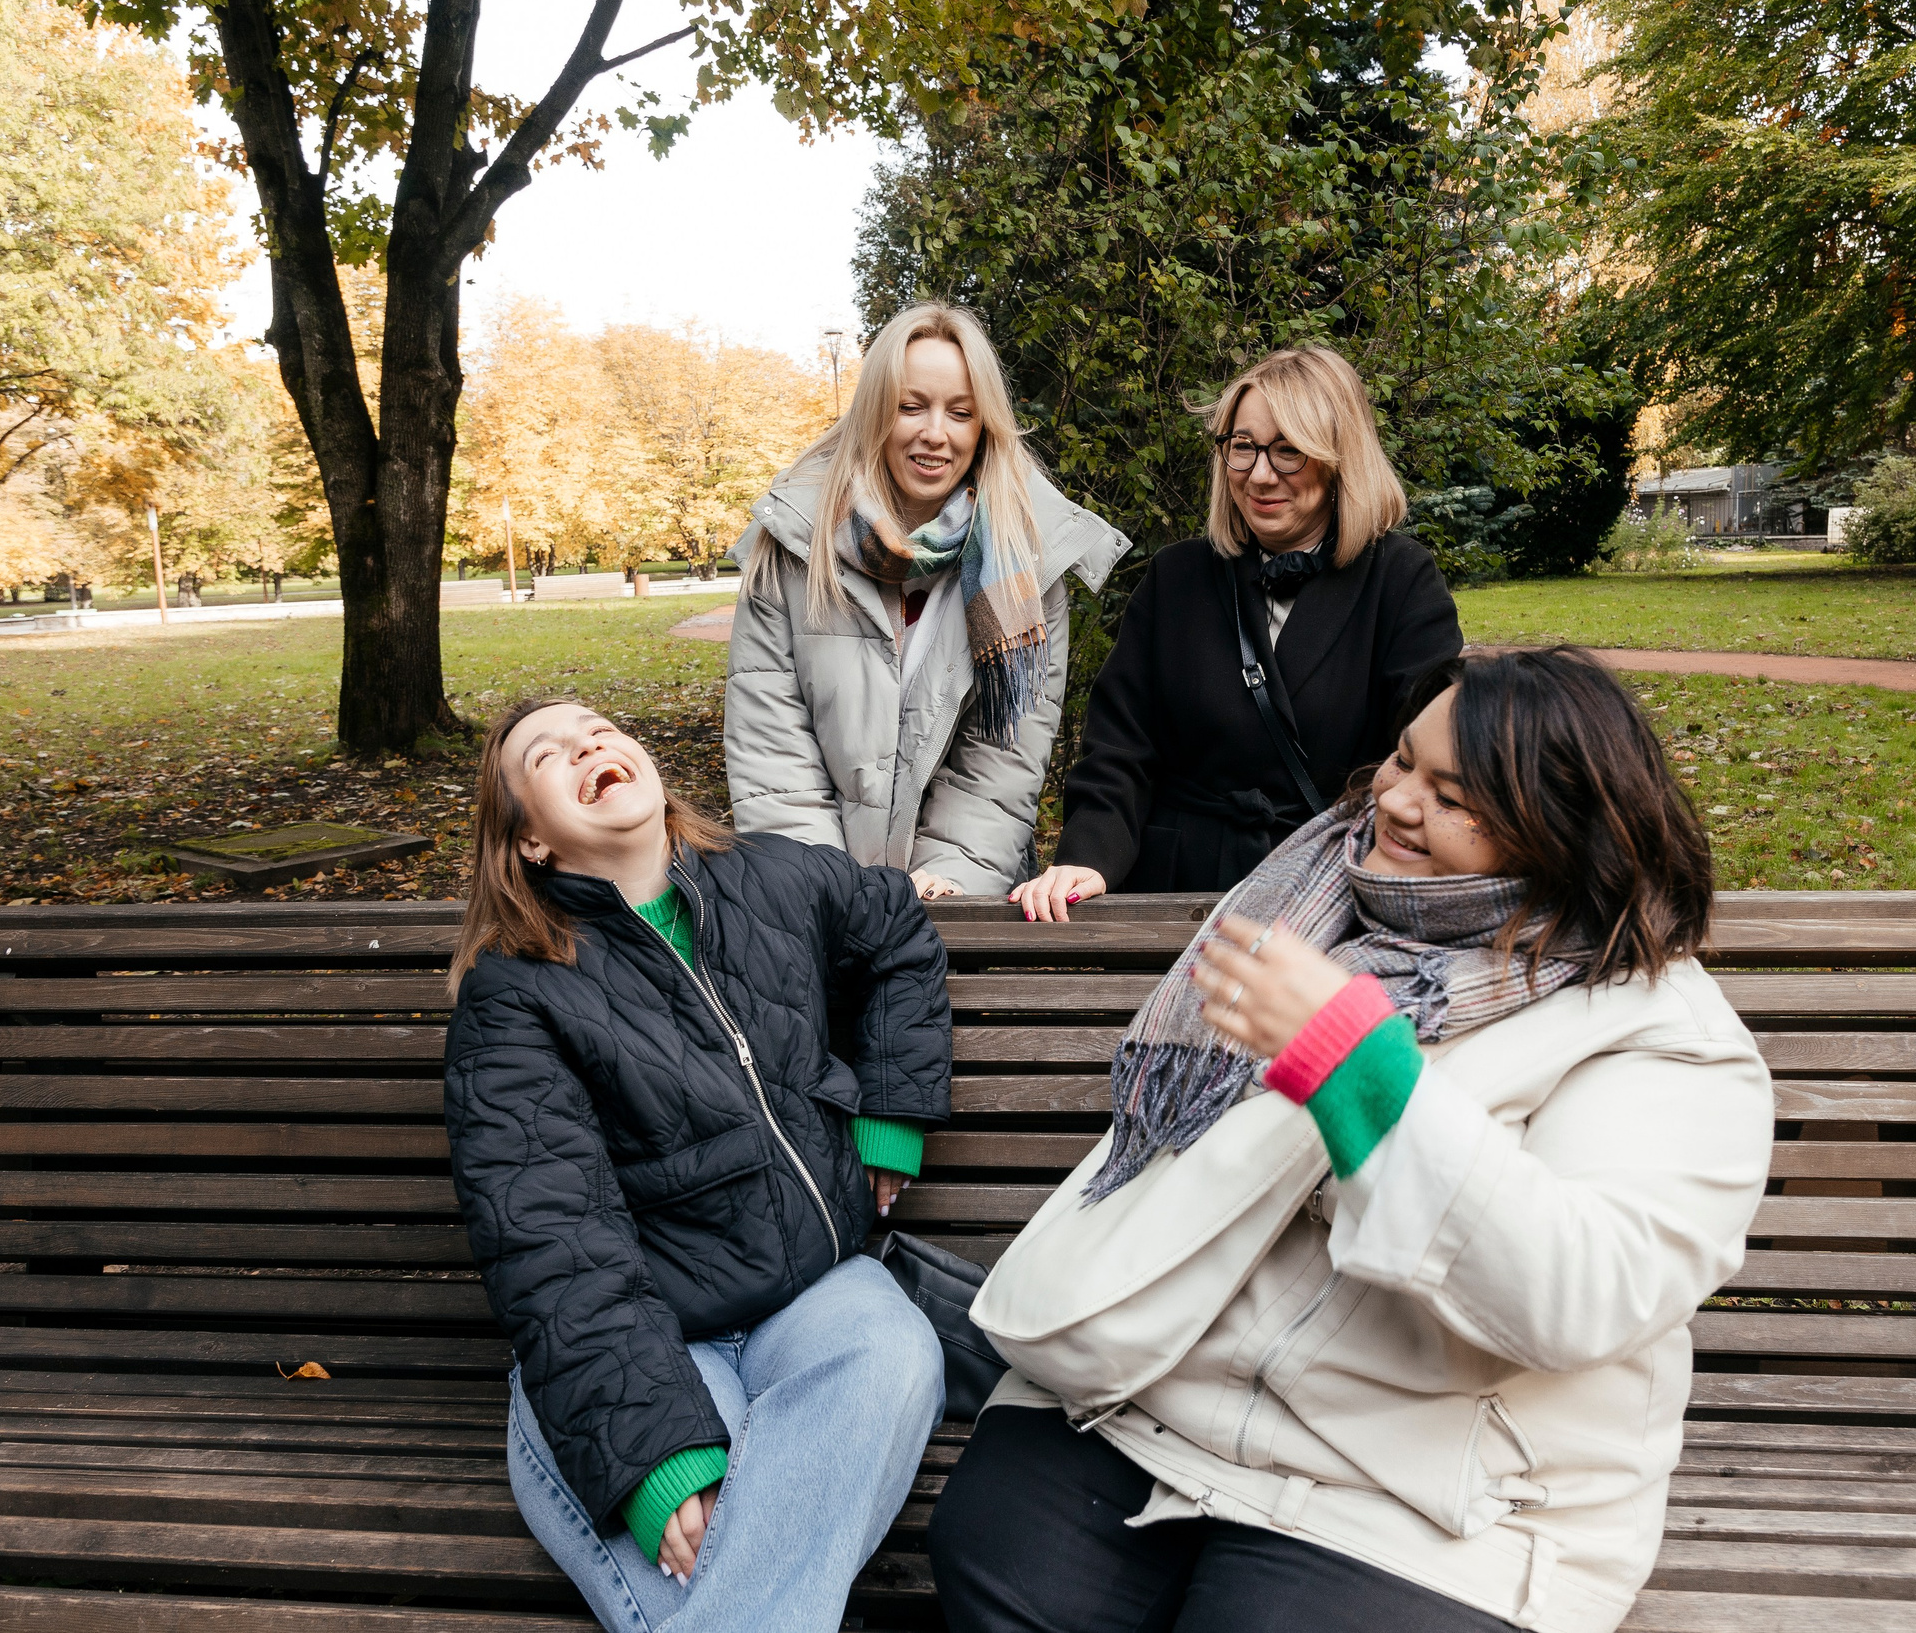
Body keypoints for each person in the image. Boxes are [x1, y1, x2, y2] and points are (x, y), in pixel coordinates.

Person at [933, 648, 1773, 1633]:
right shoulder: (1312, 907)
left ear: (1560, 832)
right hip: (1161, 1406)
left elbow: (1583, 1295)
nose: (1397, 803)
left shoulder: (1661, 1033)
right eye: (1403, 760)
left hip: (1431, 1494)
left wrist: (1356, 1079)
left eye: (1455, 799)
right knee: (996, 1560)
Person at [443, 698, 950, 1633]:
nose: (587, 744)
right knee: (693, 1543)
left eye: (597, 727)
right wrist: (653, 1451)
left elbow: (896, 929)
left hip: (818, 1296)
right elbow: (552, 1240)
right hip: (641, 1346)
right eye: (548, 755)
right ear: (530, 843)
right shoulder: (513, 996)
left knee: (895, 1353)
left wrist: (892, 1109)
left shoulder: (775, 876)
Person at [1011, 345, 1460, 918]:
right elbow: (1120, 749)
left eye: (1288, 450)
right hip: (1175, 889)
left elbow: (1428, 759)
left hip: (1323, 891)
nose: (1260, 474)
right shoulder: (1176, 577)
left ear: (1339, 458)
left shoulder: (1401, 581)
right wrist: (1090, 856)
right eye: (1243, 446)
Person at [727, 301, 1129, 899]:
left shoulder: (1028, 563)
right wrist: (831, 893)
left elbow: (1003, 759)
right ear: (874, 411)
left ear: (984, 425)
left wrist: (951, 884)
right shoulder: (790, 545)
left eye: (960, 413)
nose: (935, 433)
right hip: (815, 898)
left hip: (955, 896)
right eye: (910, 406)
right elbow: (773, 755)